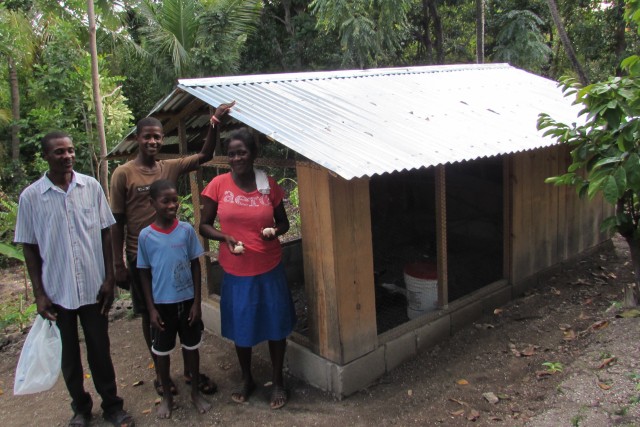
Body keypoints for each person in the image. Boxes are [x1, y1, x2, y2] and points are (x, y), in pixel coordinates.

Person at [110, 102, 234, 397]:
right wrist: (117, 263)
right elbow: (116, 222)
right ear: (137, 139)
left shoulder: (170, 166)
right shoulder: (123, 174)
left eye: (157, 137)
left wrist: (214, 120)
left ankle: (191, 370)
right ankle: (161, 372)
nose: (153, 142)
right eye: (147, 137)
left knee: (181, 308)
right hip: (141, 255)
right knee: (150, 314)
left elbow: (205, 155)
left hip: (174, 252)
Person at [14, 131, 134, 427]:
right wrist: (39, 294)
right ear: (45, 156)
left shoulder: (90, 187)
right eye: (59, 152)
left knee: (99, 349)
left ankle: (112, 406)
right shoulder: (31, 197)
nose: (67, 156)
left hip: (94, 288)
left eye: (69, 150)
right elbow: (29, 247)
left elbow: (107, 231)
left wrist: (109, 278)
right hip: (57, 291)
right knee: (68, 355)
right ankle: (80, 408)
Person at [199, 127, 297, 410]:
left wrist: (273, 231)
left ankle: (277, 381)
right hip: (236, 271)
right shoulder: (217, 185)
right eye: (231, 154)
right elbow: (204, 225)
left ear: (253, 154)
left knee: (276, 326)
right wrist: (224, 237)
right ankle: (247, 379)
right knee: (242, 328)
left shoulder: (267, 185)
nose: (236, 158)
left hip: (269, 267)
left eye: (241, 152)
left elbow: (285, 224)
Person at [137, 179, 209, 418]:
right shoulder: (146, 237)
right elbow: (144, 274)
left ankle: (196, 393)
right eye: (165, 201)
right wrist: (151, 309)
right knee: (162, 352)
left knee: (192, 348)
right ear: (152, 203)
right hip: (162, 305)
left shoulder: (186, 230)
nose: (172, 205)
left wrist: (197, 302)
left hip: (187, 303)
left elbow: (195, 265)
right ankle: (167, 397)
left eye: (175, 200)